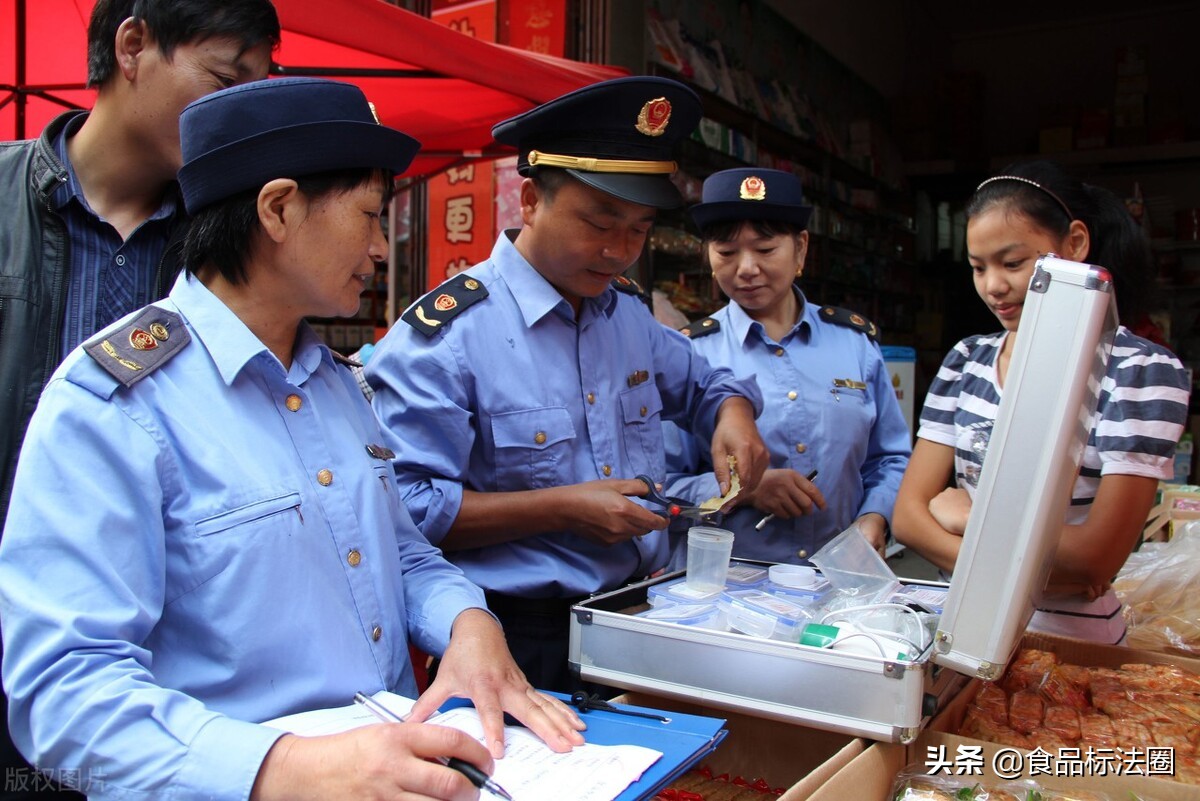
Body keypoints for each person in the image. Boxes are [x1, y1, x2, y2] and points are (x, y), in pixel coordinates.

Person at [0, 77, 585, 801]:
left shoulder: (339, 385)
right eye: (370, 216)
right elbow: (63, 691)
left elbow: (398, 551)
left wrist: (466, 621)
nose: (379, 248)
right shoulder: (113, 406)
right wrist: (276, 767)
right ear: (278, 208)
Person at [365, 76, 770, 694]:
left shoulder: (626, 313)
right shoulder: (449, 337)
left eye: (638, 228)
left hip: (639, 611)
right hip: (517, 635)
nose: (617, 251)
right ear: (529, 201)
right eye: (598, 221)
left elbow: (707, 381)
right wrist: (561, 509)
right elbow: (404, 509)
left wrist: (733, 415)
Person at [0, 2, 279, 794]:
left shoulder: (233, 241)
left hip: (165, 676)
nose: (238, 115)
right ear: (132, 46)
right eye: (225, 81)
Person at [892, 160, 1190, 643]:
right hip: (961, 623)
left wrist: (966, 516)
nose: (993, 286)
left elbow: (1097, 556)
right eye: (978, 268)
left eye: (1013, 263)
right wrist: (1049, 562)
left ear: (1074, 243)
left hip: (1073, 639)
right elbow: (907, 518)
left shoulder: (1141, 371)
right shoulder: (965, 360)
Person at [663, 168, 911, 565]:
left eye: (765, 249)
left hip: (838, 579)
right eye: (726, 252)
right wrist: (747, 490)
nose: (746, 267)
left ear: (801, 249)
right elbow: (660, 483)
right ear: (707, 256)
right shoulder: (688, 354)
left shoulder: (854, 344)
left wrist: (875, 516)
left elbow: (891, 457)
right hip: (729, 591)